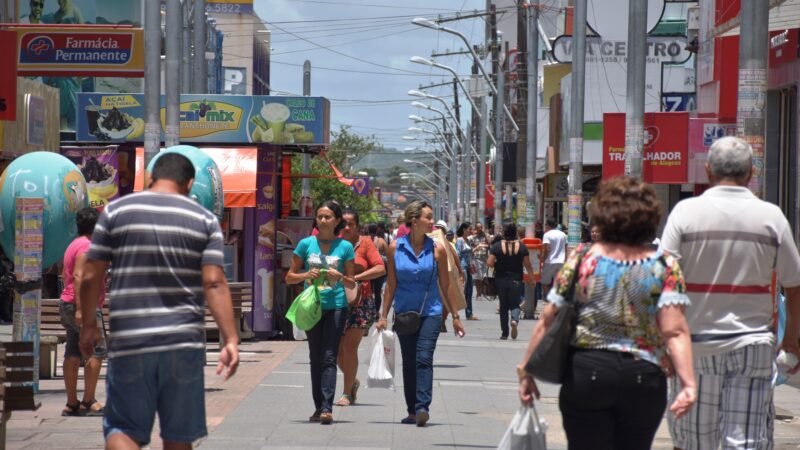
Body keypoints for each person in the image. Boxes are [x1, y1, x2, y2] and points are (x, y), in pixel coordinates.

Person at [517, 176, 696, 450]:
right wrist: (688, 383)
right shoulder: (664, 265)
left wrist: (527, 370)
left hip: (587, 372)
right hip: (644, 375)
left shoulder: (583, 259)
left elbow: (548, 317)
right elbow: (675, 330)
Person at [79, 153, 239, 449]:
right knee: (178, 437)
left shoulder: (116, 211)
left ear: (150, 177)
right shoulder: (204, 219)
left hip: (130, 340)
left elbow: (90, 276)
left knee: (123, 429)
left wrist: (89, 325)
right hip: (183, 343)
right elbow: (214, 281)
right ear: (189, 184)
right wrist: (230, 338)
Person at [661, 136, 800, 450]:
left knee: (695, 441)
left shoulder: (684, 213)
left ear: (708, 171)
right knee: (746, 441)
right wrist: (791, 339)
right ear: (751, 173)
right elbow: (794, 285)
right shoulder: (771, 217)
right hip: (752, 346)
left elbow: (664, 281)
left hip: (694, 347)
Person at [377, 201, 465, 427]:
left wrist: (455, 316)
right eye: (427, 217)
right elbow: (391, 285)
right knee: (409, 361)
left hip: (431, 312)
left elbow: (445, 286)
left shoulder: (438, 249)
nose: (431, 221)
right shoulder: (395, 248)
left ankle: (423, 406)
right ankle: (412, 410)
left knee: (424, 357)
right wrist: (383, 315)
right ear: (414, 220)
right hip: (405, 312)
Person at [286, 201, 356, 425]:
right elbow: (289, 276)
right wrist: (306, 274)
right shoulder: (306, 244)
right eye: (320, 217)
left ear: (337, 221)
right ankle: (318, 407)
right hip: (312, 306)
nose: (323, 220)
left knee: (329, 356)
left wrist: (340, 276)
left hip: (336, 305)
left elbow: (352, 282)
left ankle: (327, 407)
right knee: (315, 356)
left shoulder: (345, 247)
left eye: (327, 217)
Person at [335, 210, 385, 407]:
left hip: (360, 302)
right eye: (344, 223)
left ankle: (346, 393)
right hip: (336, 301)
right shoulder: (333, 243)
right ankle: (352, 380)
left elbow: (380, 268)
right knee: (337, 352)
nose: (347, 227)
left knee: (349, 347)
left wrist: (355, 278)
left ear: (357, 226)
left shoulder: (365, 243)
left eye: (351, 224)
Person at [59, 207, 106, 417]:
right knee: (97, 351)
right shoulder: (87, 247)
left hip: (67, 301)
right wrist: (80, 310)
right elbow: (79, 276)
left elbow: (64, 275)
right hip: (84, 305)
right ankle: (88, 399)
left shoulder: (73, 245)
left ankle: (71, 402)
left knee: (72, 351)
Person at [487, 221, 536, 338]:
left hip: (500, 279)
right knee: (515, 304)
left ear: (504, 232)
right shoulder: (522, 247)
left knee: (503, 305)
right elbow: (527, 264)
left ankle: (504, 333)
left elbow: (489, 263)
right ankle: (514, 320)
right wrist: (532, 279)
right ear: (515, 233)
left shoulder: (497, 246)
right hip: (516, 280)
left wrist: (498, 265)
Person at [455, 222, 478, 320]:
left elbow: (470, 254)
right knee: (463, 291)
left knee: (469, 291)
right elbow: (458, 255)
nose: (471, 231)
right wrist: (459, 270)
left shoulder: (467, 240)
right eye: (469, 229)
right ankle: (454, 311)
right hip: (463, 267)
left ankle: (469, 313)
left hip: (468, 267)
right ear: (464, 230)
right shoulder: (459, 240)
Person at [541, 219, 567, 298]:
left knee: (544, 282)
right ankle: (556, 301)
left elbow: (547, 249)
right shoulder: (563, 234)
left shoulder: (547, 235)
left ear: (548, 225)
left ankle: (550, 299)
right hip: (561, 262)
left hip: (550, 261)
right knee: (558, 283)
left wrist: (543, 260)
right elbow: (565, 248)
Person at [367, 222, 389, 314]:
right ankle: (376, 312)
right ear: (377, 230)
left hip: (367, 270)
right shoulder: (381, 241)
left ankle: (369, 310)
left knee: (368, 292)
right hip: (378, 270)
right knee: (377, 292)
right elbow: (388, 254)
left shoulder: (365, 240)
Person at [468, 222, 491, 300]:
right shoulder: (473, 237)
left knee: (484, 277)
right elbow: (470, 248)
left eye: (481, 227)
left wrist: (485, 235)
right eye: (478, 228)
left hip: (485, 259)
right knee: (478, 277)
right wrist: (477, 247)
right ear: (476, 228)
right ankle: (479, 294)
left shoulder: (486, 236)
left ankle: (482, 292)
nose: (480, 229)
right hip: (477, 258)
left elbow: (490, 244)